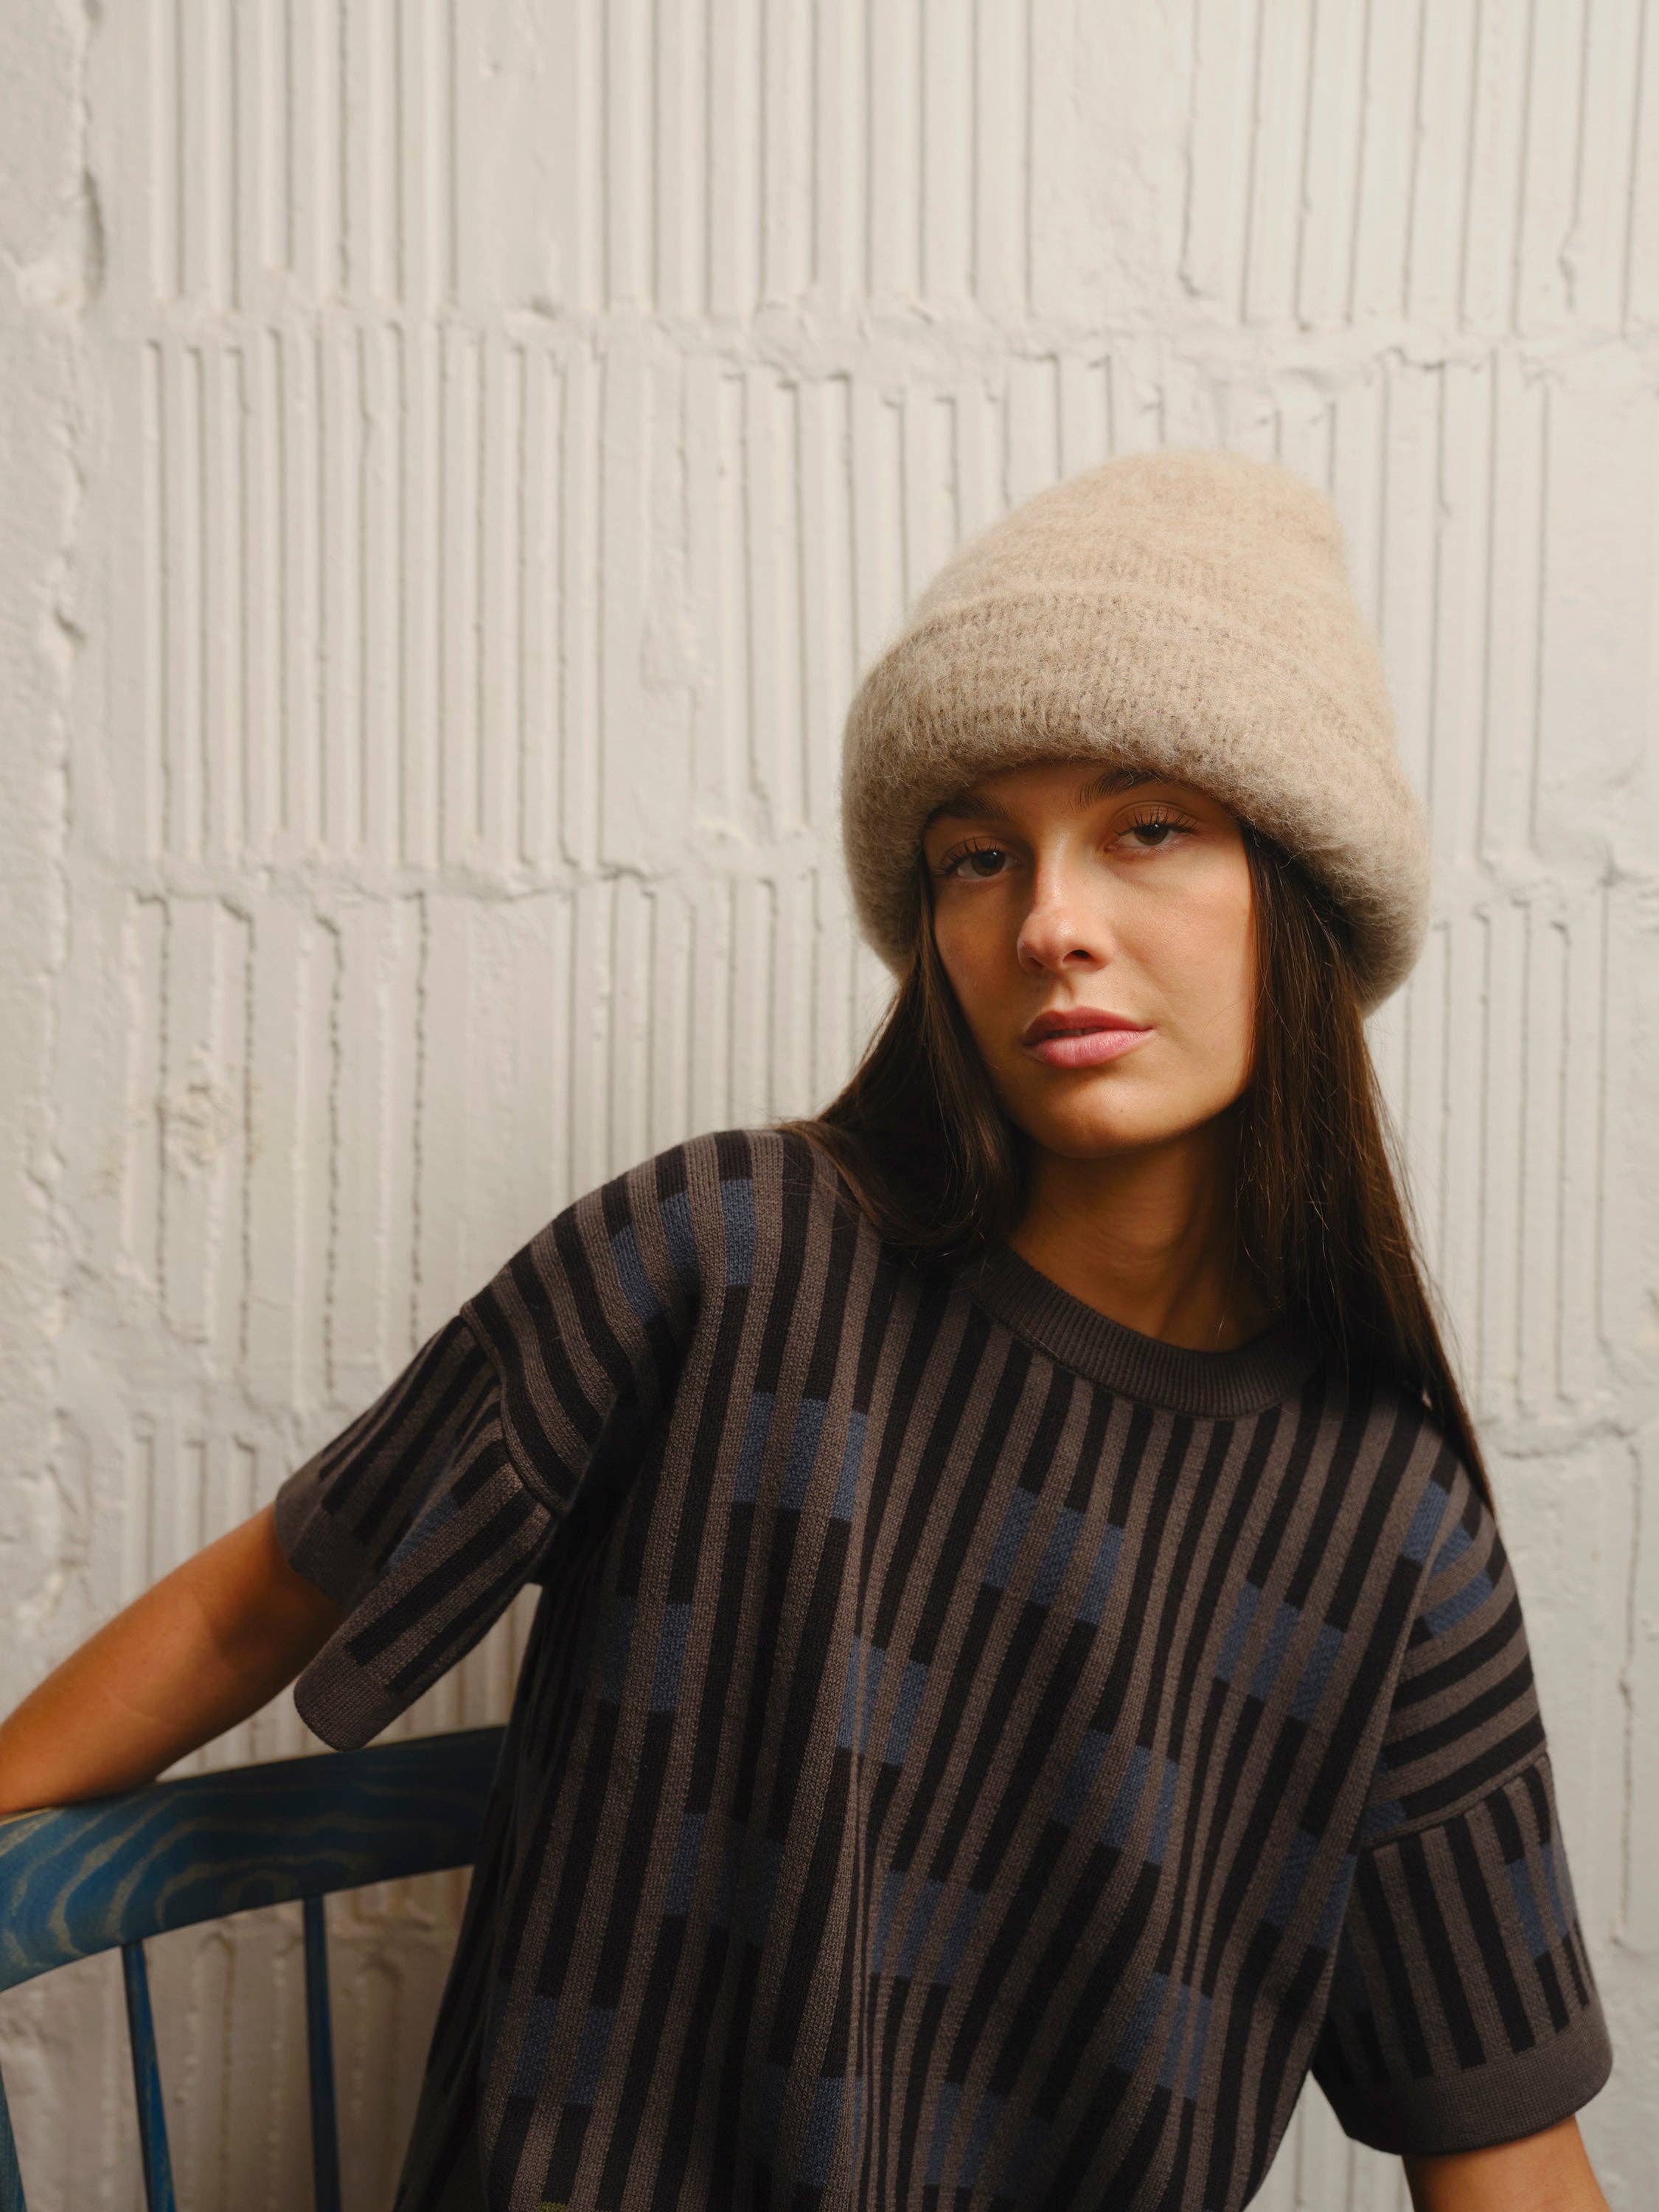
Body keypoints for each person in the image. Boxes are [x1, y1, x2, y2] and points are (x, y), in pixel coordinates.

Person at [0, 449, 1614, 2211]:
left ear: (1299, 891)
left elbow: (1507, 2150)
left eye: (1148, 827)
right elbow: (261, 1597)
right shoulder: (726, 1259)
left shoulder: (1390, 1533)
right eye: (977, 857)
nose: (1051, 924)